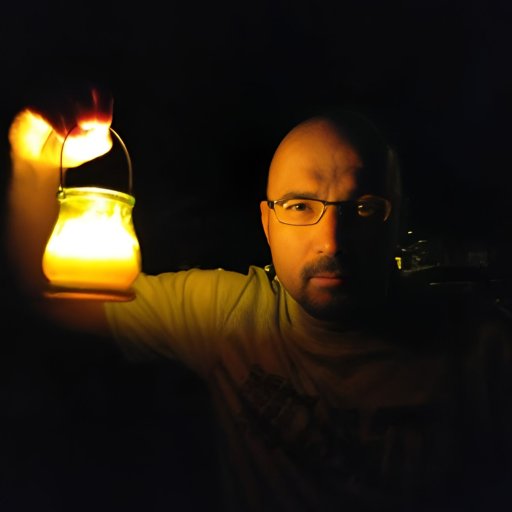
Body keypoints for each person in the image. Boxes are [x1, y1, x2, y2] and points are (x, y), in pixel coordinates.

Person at [5, 88, 512, 512]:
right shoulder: (226, 315)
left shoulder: (480, 352)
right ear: (267, 223)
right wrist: (33, 157)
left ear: (397, 219)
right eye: (299, 206)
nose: (331, 242)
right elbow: (53, 299)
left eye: (363, 207)